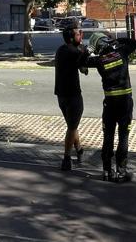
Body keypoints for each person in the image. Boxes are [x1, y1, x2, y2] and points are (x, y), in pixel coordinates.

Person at [87, 31, 136, 182]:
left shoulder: (99, 59)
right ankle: (121, 172)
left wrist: (88, 50)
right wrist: (115, 40)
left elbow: (80, 61)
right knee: (123, 136)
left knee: (108, 136)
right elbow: (134, 43)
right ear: (106, 40)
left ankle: (107, 171)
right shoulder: (122, 51)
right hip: (125, 101)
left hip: (109, 102)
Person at [54, 18, 88, 171]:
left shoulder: (61, 50)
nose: (81, 35)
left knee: (71, 126)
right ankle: (66, 159)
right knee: (72, 127)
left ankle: (79, 150)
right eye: (78, 33)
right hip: (73, 95)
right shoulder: (74, 51)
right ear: (71, 37)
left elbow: (80, 67)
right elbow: (85, 67)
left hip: (61, 95)